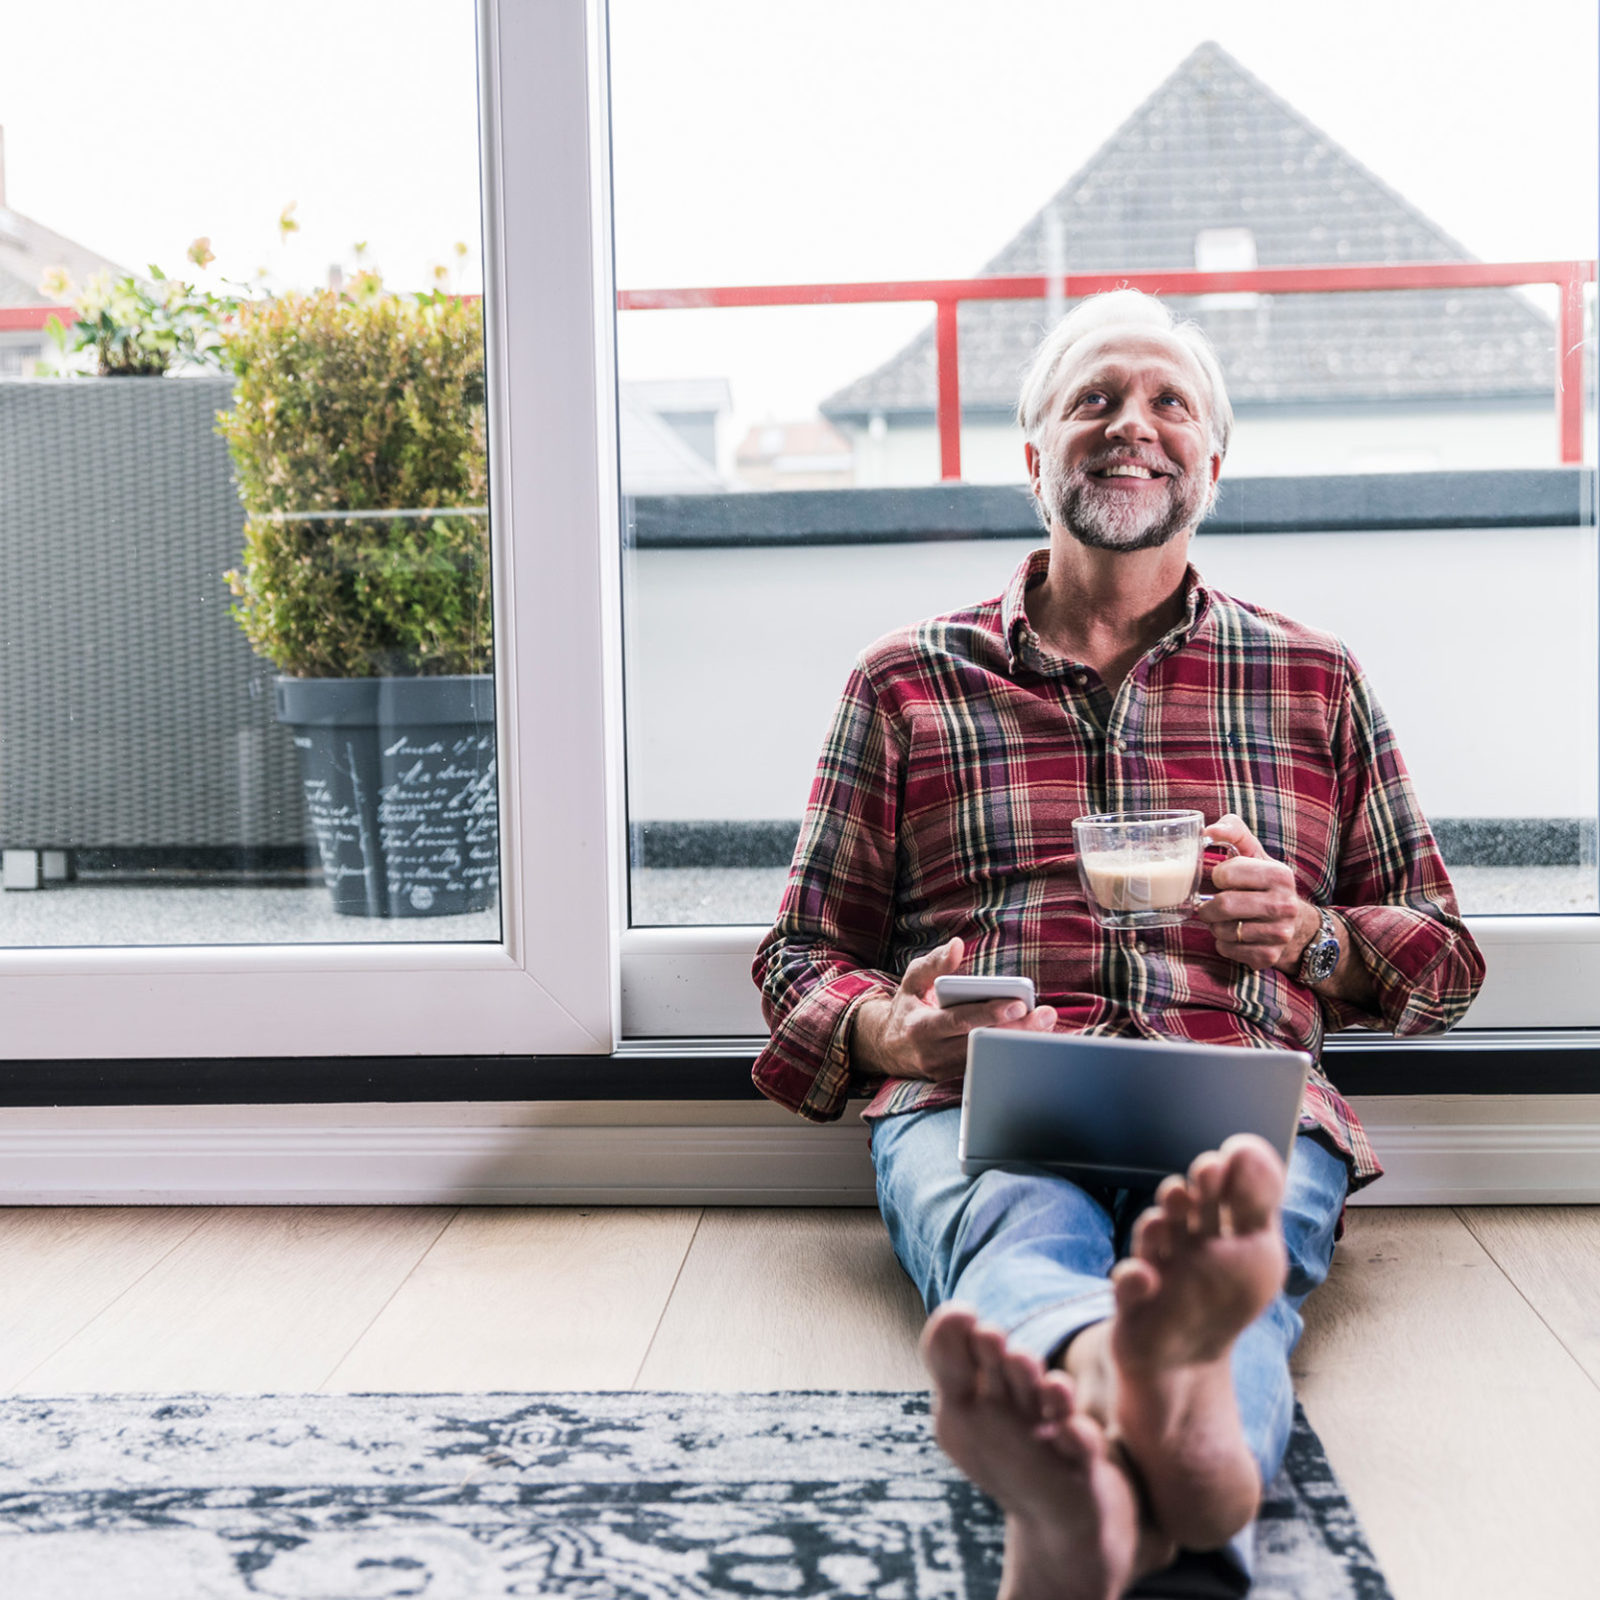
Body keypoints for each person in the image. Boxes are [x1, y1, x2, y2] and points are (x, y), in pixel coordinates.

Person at [750, 288, 1485, 1599]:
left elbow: (1443, 962)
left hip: (1237, 1089)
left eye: (1166, 403)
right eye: (1091, 400)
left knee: (1218, 1260)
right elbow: (802, 957)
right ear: (1033, 455)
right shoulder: (905, 684)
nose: (1128, 427)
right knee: (1028, 1228)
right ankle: (1178, 1453)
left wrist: (1313, 938)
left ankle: (1094, 1469)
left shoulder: (1315, 680)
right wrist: (899, 1030)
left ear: (1212, 458)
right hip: (982, 1096)